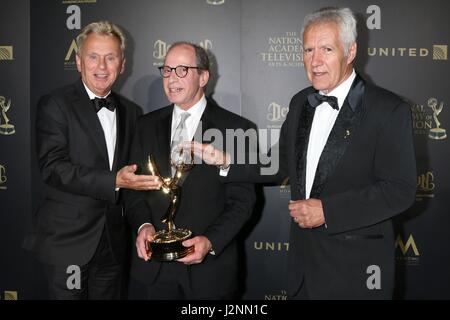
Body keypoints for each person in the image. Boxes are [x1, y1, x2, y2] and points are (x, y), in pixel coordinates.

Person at [189, 7, 417, 299]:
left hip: (357, 274)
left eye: (326, 49)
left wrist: (327, 211)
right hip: (302, 271)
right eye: (308, 49)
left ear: (351, 51)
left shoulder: (388, 110)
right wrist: (227, 162)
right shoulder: (301, 102)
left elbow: (400, 190)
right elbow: (280, 162)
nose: (315, 61)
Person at [30, 21, 160, 299]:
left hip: (113, 244)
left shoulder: (132, 112)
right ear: (78, 62)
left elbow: (134, 182)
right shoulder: (55, 104)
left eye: (111, 57)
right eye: (93, 56)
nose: (102, 66)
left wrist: (143, 224)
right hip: (68, 243)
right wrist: (113, 180)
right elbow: (53, 168)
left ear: (122, 64)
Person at [124, 42, 255, 299]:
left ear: (203, 76)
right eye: (167, 70)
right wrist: (144, 225)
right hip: (154, 271)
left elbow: (243, 201)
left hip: (210, 272)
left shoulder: (236, 128)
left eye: (182, 70)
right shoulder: (144, 126)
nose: (172, 78)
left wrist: (210, 242)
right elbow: (133, 190)